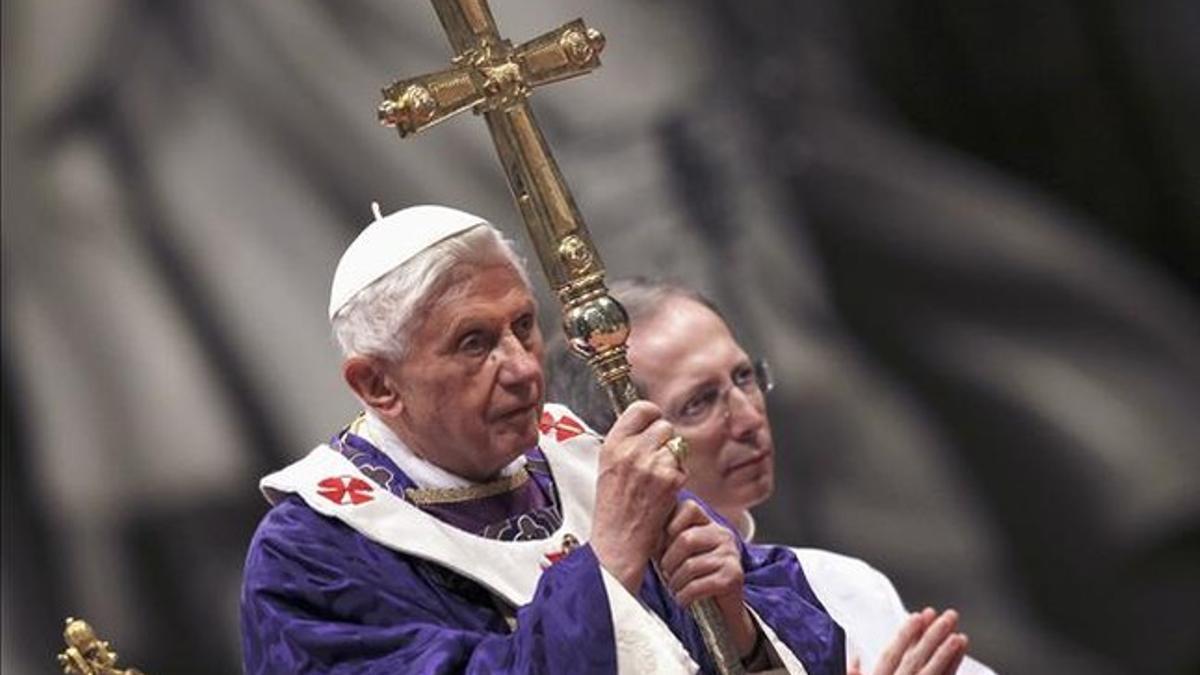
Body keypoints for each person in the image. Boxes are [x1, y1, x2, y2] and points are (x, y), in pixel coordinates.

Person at [239, 205, 852, 674]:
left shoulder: (577, 453)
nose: (526, 368)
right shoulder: (312, 556)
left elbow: (790, 621)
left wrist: (739, 626)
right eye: (474, 343)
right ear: (378, 384)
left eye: (524, 326)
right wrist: (606, 566)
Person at [547, 278, 995, 675]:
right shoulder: (604, 637)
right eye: (699, 402)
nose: (747, 419)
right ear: (619, 447)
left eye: (743, 377)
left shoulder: (844, 586)